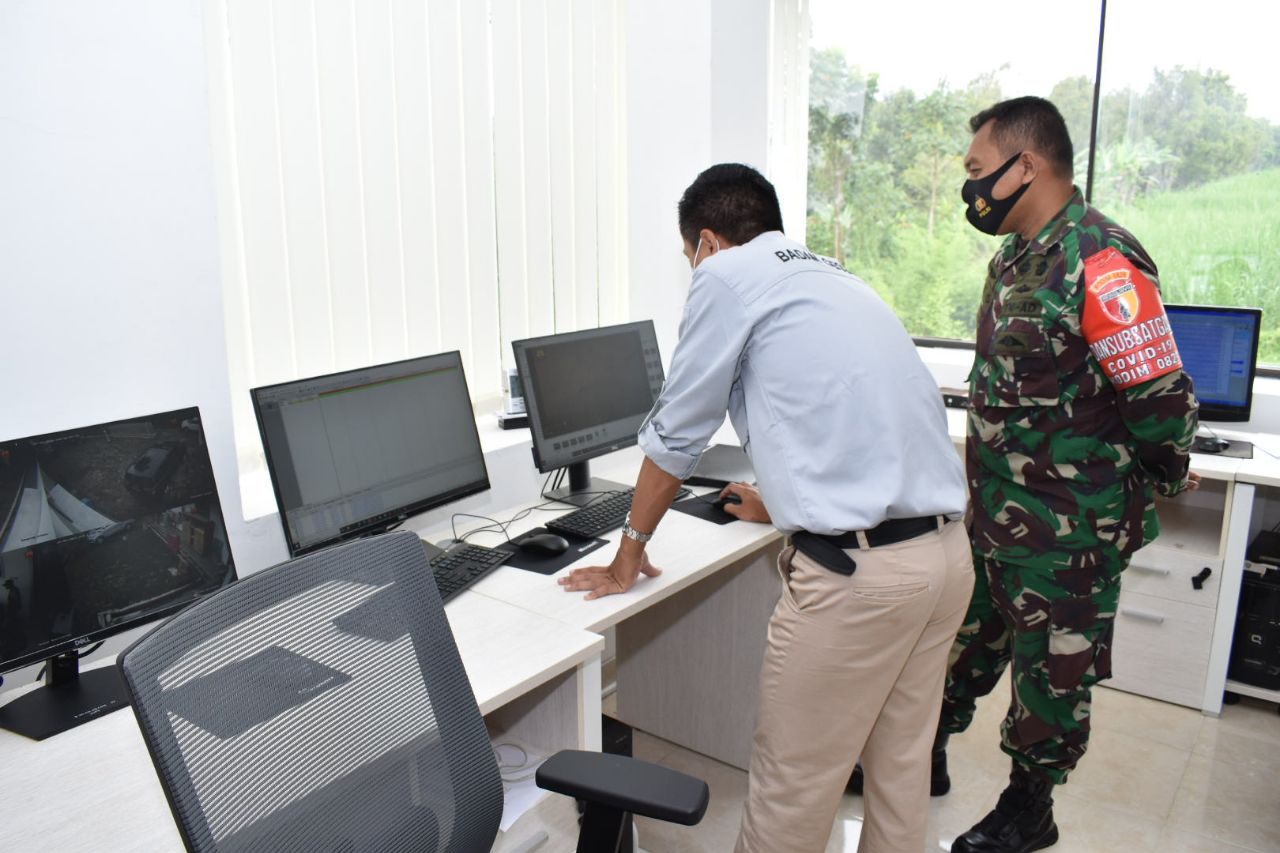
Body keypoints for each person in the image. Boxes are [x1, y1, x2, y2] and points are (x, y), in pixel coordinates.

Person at [558, 163, 974, 853]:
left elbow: (677, 433)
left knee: (792, 790)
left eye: (689, 255)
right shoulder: (832, 276)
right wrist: (780, 500)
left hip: (860, 581)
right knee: (898, 772)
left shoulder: (725, 276)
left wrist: (628, 549)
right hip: (942, 560)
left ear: (709, 242)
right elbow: (853, 414)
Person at [928, 97, 1198, 853]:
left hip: (1069, 527)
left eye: (979, 171)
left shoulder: (1100, 259)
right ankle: (927, 752)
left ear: (1027, 166)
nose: (972, 189)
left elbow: (1159, 394)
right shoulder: (1016, 253)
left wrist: (1163, 473)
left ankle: (1030, 806)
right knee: (962, 645)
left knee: (1051, 673)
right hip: (996, 514)